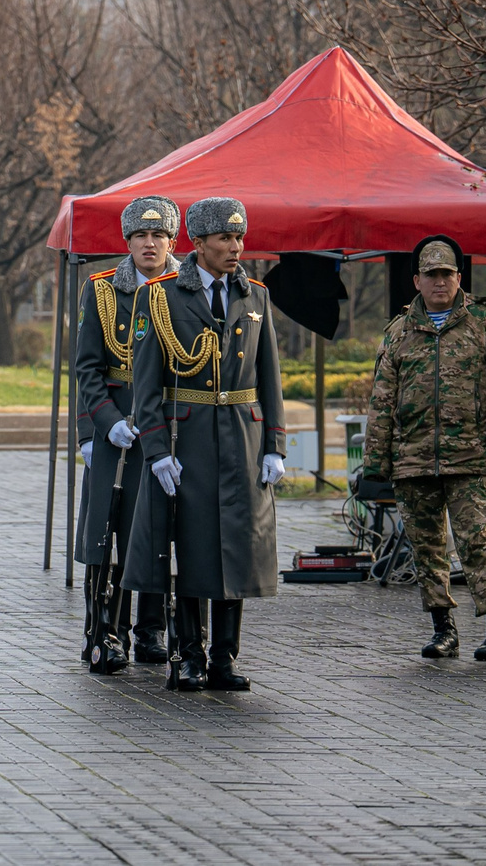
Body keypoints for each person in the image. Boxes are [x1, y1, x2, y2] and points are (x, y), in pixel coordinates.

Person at [125, 198, 285, 693]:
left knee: (236, 547)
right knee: (191, 547)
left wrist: (275, 444)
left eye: (239, 238)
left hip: (242, 437)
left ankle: (224, 659)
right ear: (198, 243)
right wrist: (156, 451)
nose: (236, 248)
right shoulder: (161, 296)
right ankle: (188, 656)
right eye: (225, 239)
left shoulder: (255, 296)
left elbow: (270, 377)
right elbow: (146, 387)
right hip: (187, 439)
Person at [366, 236, 486, 661]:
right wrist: (376, 461)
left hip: (469, 455)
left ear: (459, 277)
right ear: (416, 280)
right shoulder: (399, 333)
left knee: (476, 541)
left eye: (447, 274)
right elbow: (381, 400)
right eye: (431, 275)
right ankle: (443, 629)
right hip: (412, 458)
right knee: (426, 547)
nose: (440, 282)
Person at [71, 195, 181, 672]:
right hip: (116, 423)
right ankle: (105, 630)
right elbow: (88, 367)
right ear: (128, 241)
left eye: (158, 235)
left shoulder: (185, 288)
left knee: (160, 525)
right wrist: (103, 423)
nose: (150, 244)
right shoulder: (100, 290)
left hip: (169, 426)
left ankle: (151, 628)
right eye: (141, 236)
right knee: (109, 530)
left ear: (172, 240)